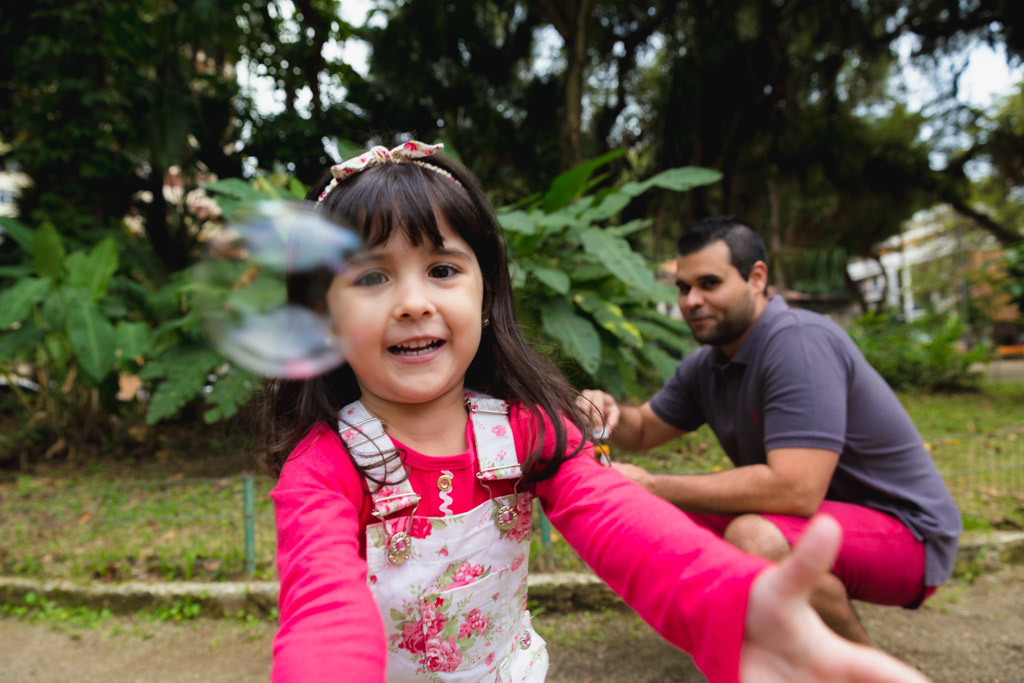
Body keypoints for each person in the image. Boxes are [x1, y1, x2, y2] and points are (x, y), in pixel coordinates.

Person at [264, 143, 929, 682]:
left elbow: (627, 524)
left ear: (488, 295)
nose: (414, 302)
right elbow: (323, 609)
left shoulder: (527, 429)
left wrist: (741, 607)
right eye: (371, 276)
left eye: (442, 269)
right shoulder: (322, 469)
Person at [577, 215, 961, 646]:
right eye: (683, 288)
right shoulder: (710, 363)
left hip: (907, 535)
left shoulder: (798, 342)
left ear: (757, 278)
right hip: (822, 522)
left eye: (709, 283)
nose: (692, 301)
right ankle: (768, 648)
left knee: (755, 537)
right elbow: (644, 430)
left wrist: (653, 484)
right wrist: (607, 410)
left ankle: (858, 671)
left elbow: (795, 489)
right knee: (656, 520)